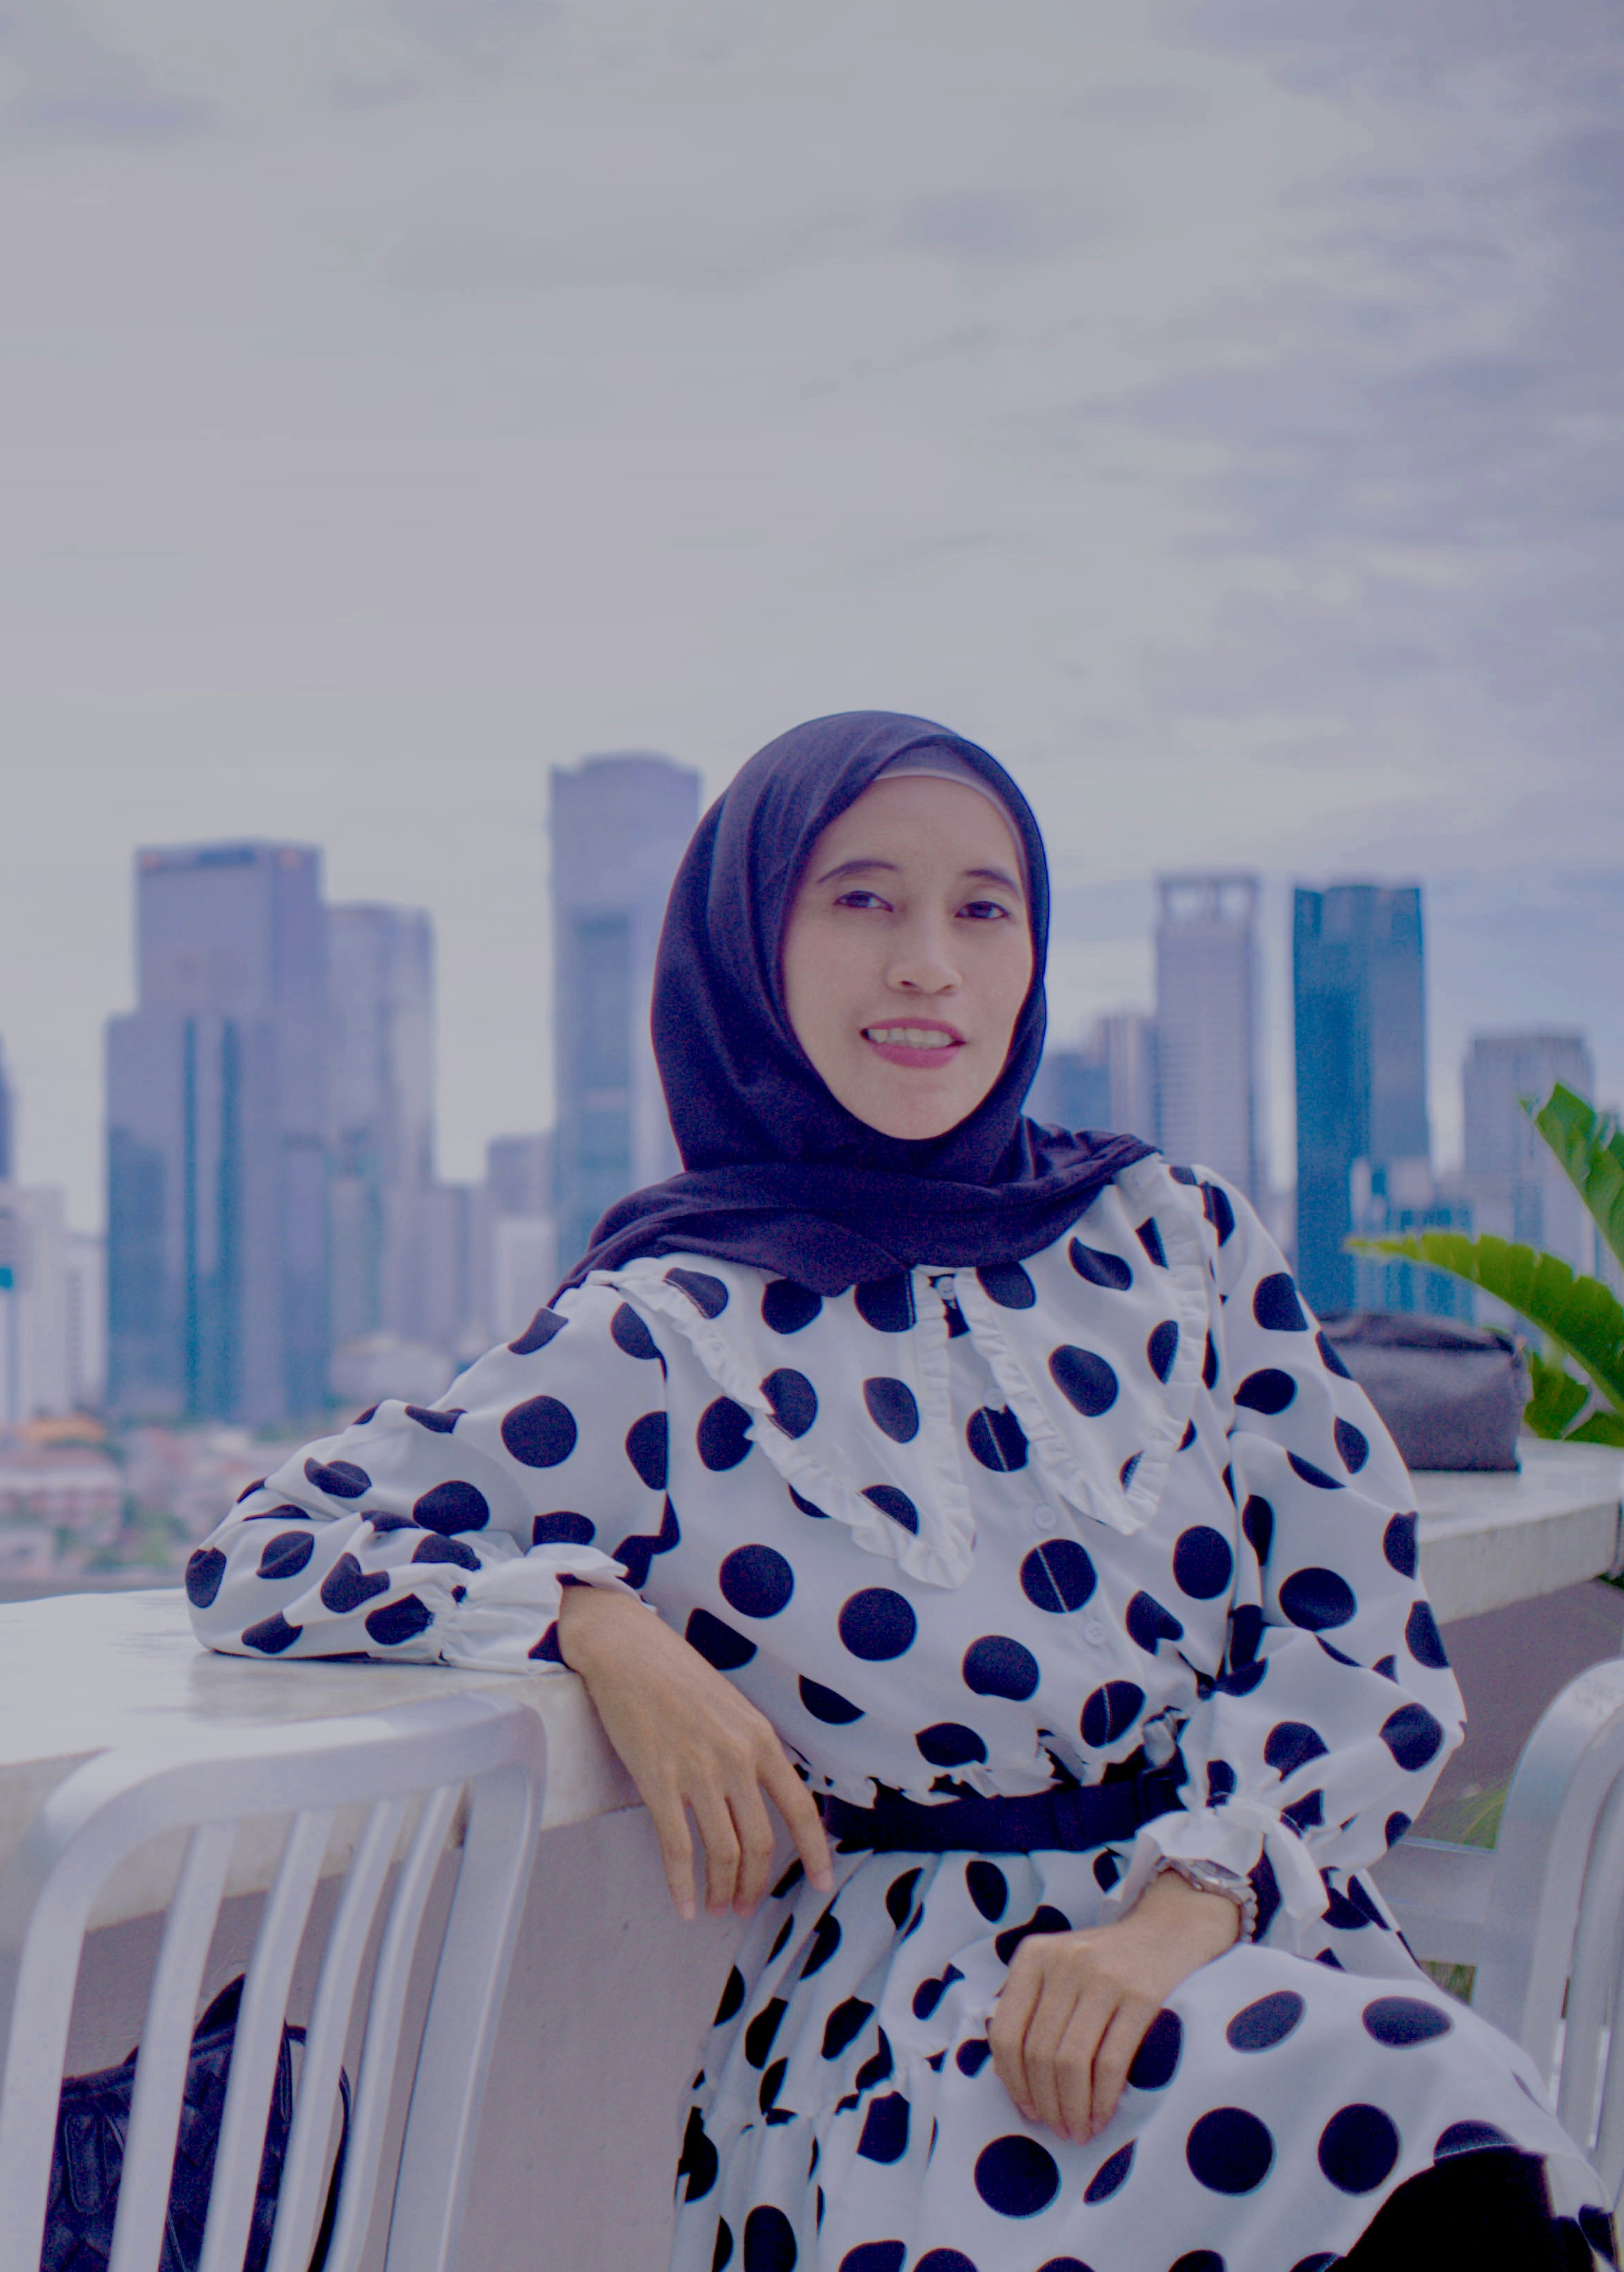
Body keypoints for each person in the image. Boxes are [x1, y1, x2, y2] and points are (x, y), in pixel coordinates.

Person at [184, 713, 1615, 2270]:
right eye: (862, 899)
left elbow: (1362, 1626)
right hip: (925, 2049)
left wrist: (1182, 1910)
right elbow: (271, 1550)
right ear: (752, 947)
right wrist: (591, 1623)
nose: (930, 963)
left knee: (1444, 2124)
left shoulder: (1171, 1237)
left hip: (1244, 1949)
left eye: (983, 908)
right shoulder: (666, 1331)